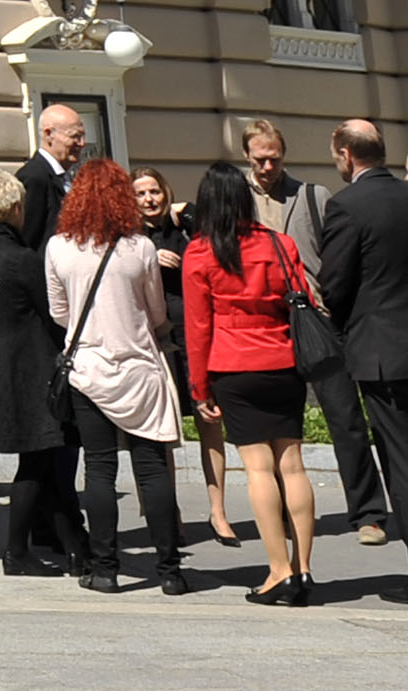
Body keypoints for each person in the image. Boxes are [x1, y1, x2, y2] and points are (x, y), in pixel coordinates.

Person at [312, 118, 408, 607]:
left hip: (382, 353)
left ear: (345, 154)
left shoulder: (346, 205)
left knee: (405, 464)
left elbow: (335, 282)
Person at [182, 159, 321, 605]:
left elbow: (197, 326)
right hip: (283, 360)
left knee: (258, 468)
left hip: (233, 366)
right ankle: (303, 569)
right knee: (292, 465)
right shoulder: (279, 244)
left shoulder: (201, 252)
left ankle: (278, 570)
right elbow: (301, 297)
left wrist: (199, 387)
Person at [47, 158, 189, 594]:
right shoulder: (141, 247)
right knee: (152, 470)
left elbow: (59, 312)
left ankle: (106, 569)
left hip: (88, 370)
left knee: (100, 468)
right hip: (140, 369)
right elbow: (157, 311)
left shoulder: (59, 248)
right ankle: (170, 572)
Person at [242, 118, 386, 542]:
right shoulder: (237, 200)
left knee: (346, 418)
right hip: (264, 324)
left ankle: (369, 513)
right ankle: (285, 513)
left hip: (317, 320)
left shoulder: (311, 196)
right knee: (276, 427)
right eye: (259, 159)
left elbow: (337, 255)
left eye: (275, 158)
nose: (268, 167)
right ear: (246, 157)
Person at [0, 169, 70, 577]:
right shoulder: (22, 258)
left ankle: (72, 545)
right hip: (30, 367)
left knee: (40, 460)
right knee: (38, 458)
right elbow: (51, 313)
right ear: (14, 207)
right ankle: (16, 551)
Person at [6, 102, 87, 567]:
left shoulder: (60, 176)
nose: (80, 142)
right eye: (74, 135)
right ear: (48, 133)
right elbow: (32, 247)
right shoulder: (35, 178)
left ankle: (50, 522)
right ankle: (52, 525)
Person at [133, 168, 231, 543]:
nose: (149, 199)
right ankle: (167, 511)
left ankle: (218, 510)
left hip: (198, 335)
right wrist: (149, 258)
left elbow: (215, 230)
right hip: (156, 340)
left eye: (155, 191)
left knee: (210, 422)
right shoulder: (131, 237)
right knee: (162, 432)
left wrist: (184, 209)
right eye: (140, 193)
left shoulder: (186, 227)